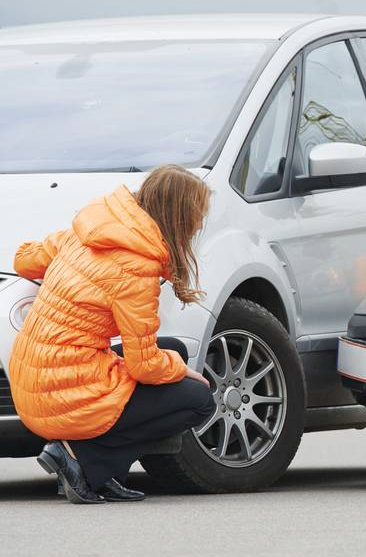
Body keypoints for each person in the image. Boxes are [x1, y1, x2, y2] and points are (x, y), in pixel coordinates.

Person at [9, 165, 216, 504]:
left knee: (173, 347)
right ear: (180, 218)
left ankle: (101, 472)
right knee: (198, 399)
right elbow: (144, 365)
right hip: (61, 393)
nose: (198, 226)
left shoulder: (94, 228)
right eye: (198, 217)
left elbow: (23, 260)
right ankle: (83, 461)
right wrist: (181, 369)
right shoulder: (137, 267)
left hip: (32, 374)